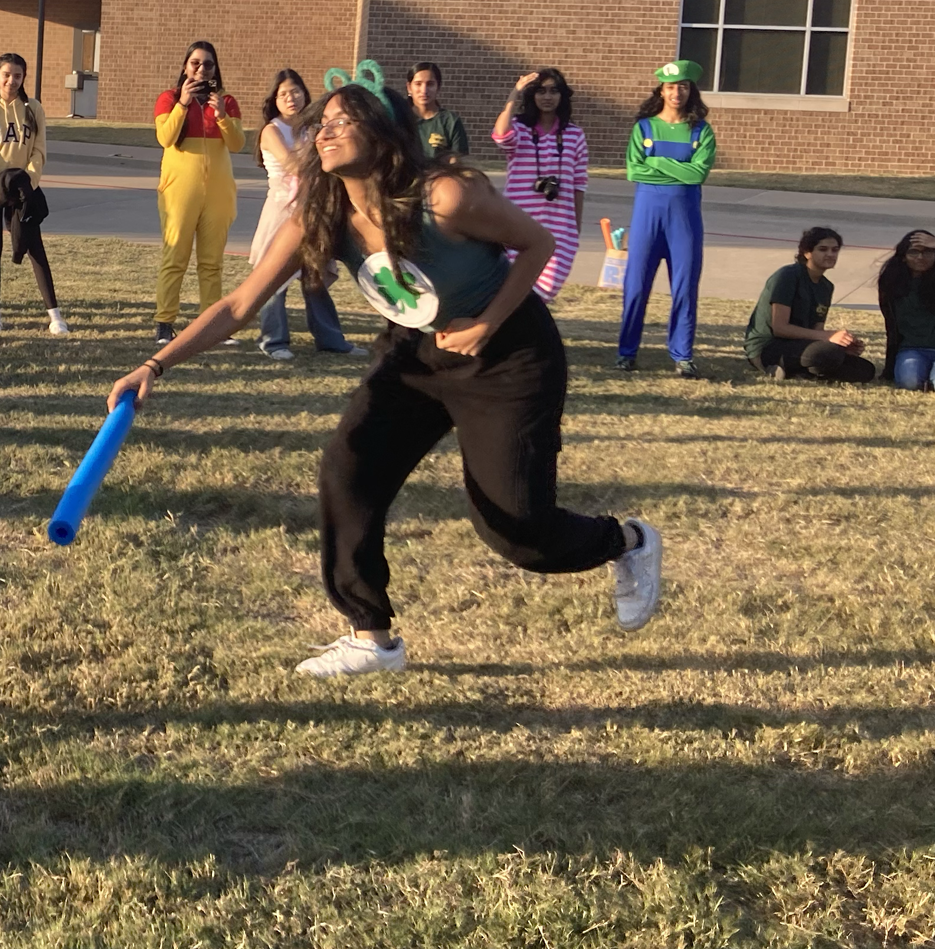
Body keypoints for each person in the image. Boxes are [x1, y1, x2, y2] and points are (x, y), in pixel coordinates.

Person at [108, 66, 662, 677]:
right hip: (416, 352)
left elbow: (536, 244)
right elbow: (240, 306)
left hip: (508, 354)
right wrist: (156, 363)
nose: (326, 131)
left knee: (516, 531)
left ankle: (627, 542)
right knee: (348, 468)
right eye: (325, 122)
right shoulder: (320, 214)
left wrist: (485, 324)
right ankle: (371, 635)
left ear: (384, 134)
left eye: (346, 121)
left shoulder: (445, 196)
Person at [251, 68, 363, 360]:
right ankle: (273, 342)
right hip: (281, 209)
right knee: (274, 277)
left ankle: (331, 340)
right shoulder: (272, 130)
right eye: (284, 94)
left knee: (314, 275)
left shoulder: (313, 128)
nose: (291, 98)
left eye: (296, 91)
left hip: (311, 207)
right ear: (274, 100)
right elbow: (294, 166)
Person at [615, 59, 717, 377]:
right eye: (671, 87)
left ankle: (682, 355)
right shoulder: (643, 127)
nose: (677, 92)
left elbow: (697, 173)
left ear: (691, 90)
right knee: (635, 285)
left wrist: (656, 161)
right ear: (661, 90)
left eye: (683, 86)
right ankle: (626, 352)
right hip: (647, 217)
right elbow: (634, 169)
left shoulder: (701, 130)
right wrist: (677, 169)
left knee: (685, 287)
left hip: (684, 221)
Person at [153, 41, 243, 344]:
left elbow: (237, 144)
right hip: (179, 191)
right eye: (195, 63)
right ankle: (165, 324)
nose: (201, 69)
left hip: (218, 192)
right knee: (175, 256)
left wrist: (221, 115)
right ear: (185, 66)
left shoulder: (226, 102)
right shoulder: (169, 98)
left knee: (211, 262)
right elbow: (165, 138)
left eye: (208, 64)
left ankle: (210, 325)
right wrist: (183, 104)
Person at [0, 53, 67, 335]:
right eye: (6, 75)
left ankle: (55, 315)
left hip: (23, 190)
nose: (11, 81)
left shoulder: (33, 108)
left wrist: (28, 183)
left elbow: (39, 149)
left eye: (18, 75)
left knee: (34, 247)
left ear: (24, 77)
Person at [491, 68, 589, 301]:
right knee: (511, 291)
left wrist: (575, 230)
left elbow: (579, 186)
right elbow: (501, 134)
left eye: (554, 91)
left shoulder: (575, 135)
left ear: (562, 96)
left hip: (559, 230)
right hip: (518, 226)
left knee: (541, 294)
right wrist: (515, 93)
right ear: (532, 96)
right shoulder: (520, 129)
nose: (547, 97)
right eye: (541, 91)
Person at [741, 226, 873, 382]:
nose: (830, 254)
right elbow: (780, 328)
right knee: (826, 354)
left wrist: (843, 346)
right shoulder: (788, 276)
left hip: (799, 345)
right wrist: (829, 337)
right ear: (807, 252)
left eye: (835, 250)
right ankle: (779, 367)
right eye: (823, 249)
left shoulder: (826, 287)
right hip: (768, 346)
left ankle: (798, 372)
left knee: (865, 370)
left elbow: (816, 330)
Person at [879, 230, 935, 392]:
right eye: (914, 252)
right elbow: (892, 328)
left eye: (927, 252)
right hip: (913, 349)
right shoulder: (891, 282)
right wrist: (889, 367)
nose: (920, 257)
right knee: (909, 383)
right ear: (903, 256)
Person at [407, 61, 468, 166]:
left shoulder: (450, 121)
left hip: (439, 179)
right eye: (418, 84)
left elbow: (458, 160)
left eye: (430, 84)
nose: (424, 90)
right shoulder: (400, 119)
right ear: (409, 87)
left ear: (438, 87)